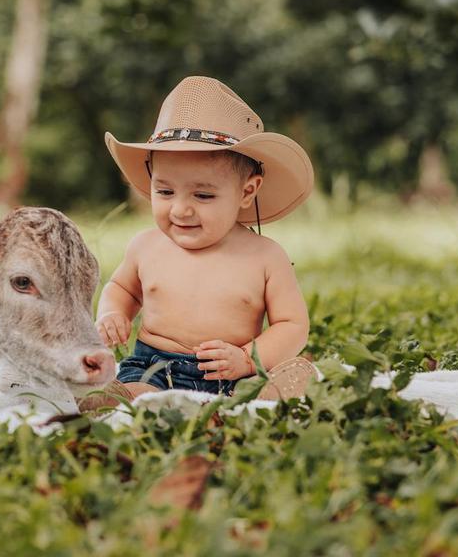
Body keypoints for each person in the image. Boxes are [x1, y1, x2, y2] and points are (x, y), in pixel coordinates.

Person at [91, 75, 317, 405]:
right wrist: (112, 314)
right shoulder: (145, 246)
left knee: (286, 380)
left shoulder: (266, 257)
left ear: (247, 191)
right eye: (165, 191)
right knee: (138, 395)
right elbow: (122, 289)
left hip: (234, 371)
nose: (181, 209)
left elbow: (292, 323)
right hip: (153, 366)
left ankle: (260, 396)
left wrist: (248, 358)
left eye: (203, 195)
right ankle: (129, 398)